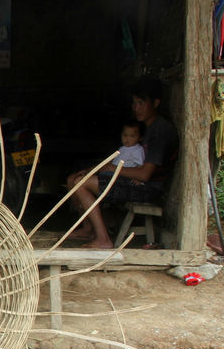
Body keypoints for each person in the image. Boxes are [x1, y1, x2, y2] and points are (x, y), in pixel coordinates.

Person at [66, 78, 178, 248]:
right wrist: (95, 169)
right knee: (72, 179)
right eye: (134, 103)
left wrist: (111, 168)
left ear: (155, 103)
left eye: (141, 103)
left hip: (147, 188)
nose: (136, 108)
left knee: (80, 184)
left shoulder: (160, 131)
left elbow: (144, 174)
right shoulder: (147, 128)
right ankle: (89, 228)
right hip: (133, 181)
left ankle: (103, 239)